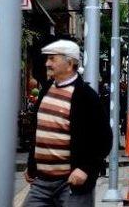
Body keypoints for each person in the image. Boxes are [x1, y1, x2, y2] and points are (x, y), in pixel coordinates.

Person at [24, 40, 112, 206]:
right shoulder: (46, 89)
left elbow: (104, 139)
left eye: (52, 59)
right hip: (41, 182)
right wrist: (32, 164)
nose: (47, 63)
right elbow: (39, 130)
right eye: (47, 59)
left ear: (70, 63)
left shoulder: (86, 96)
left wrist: (86, 169)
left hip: (72, 183)